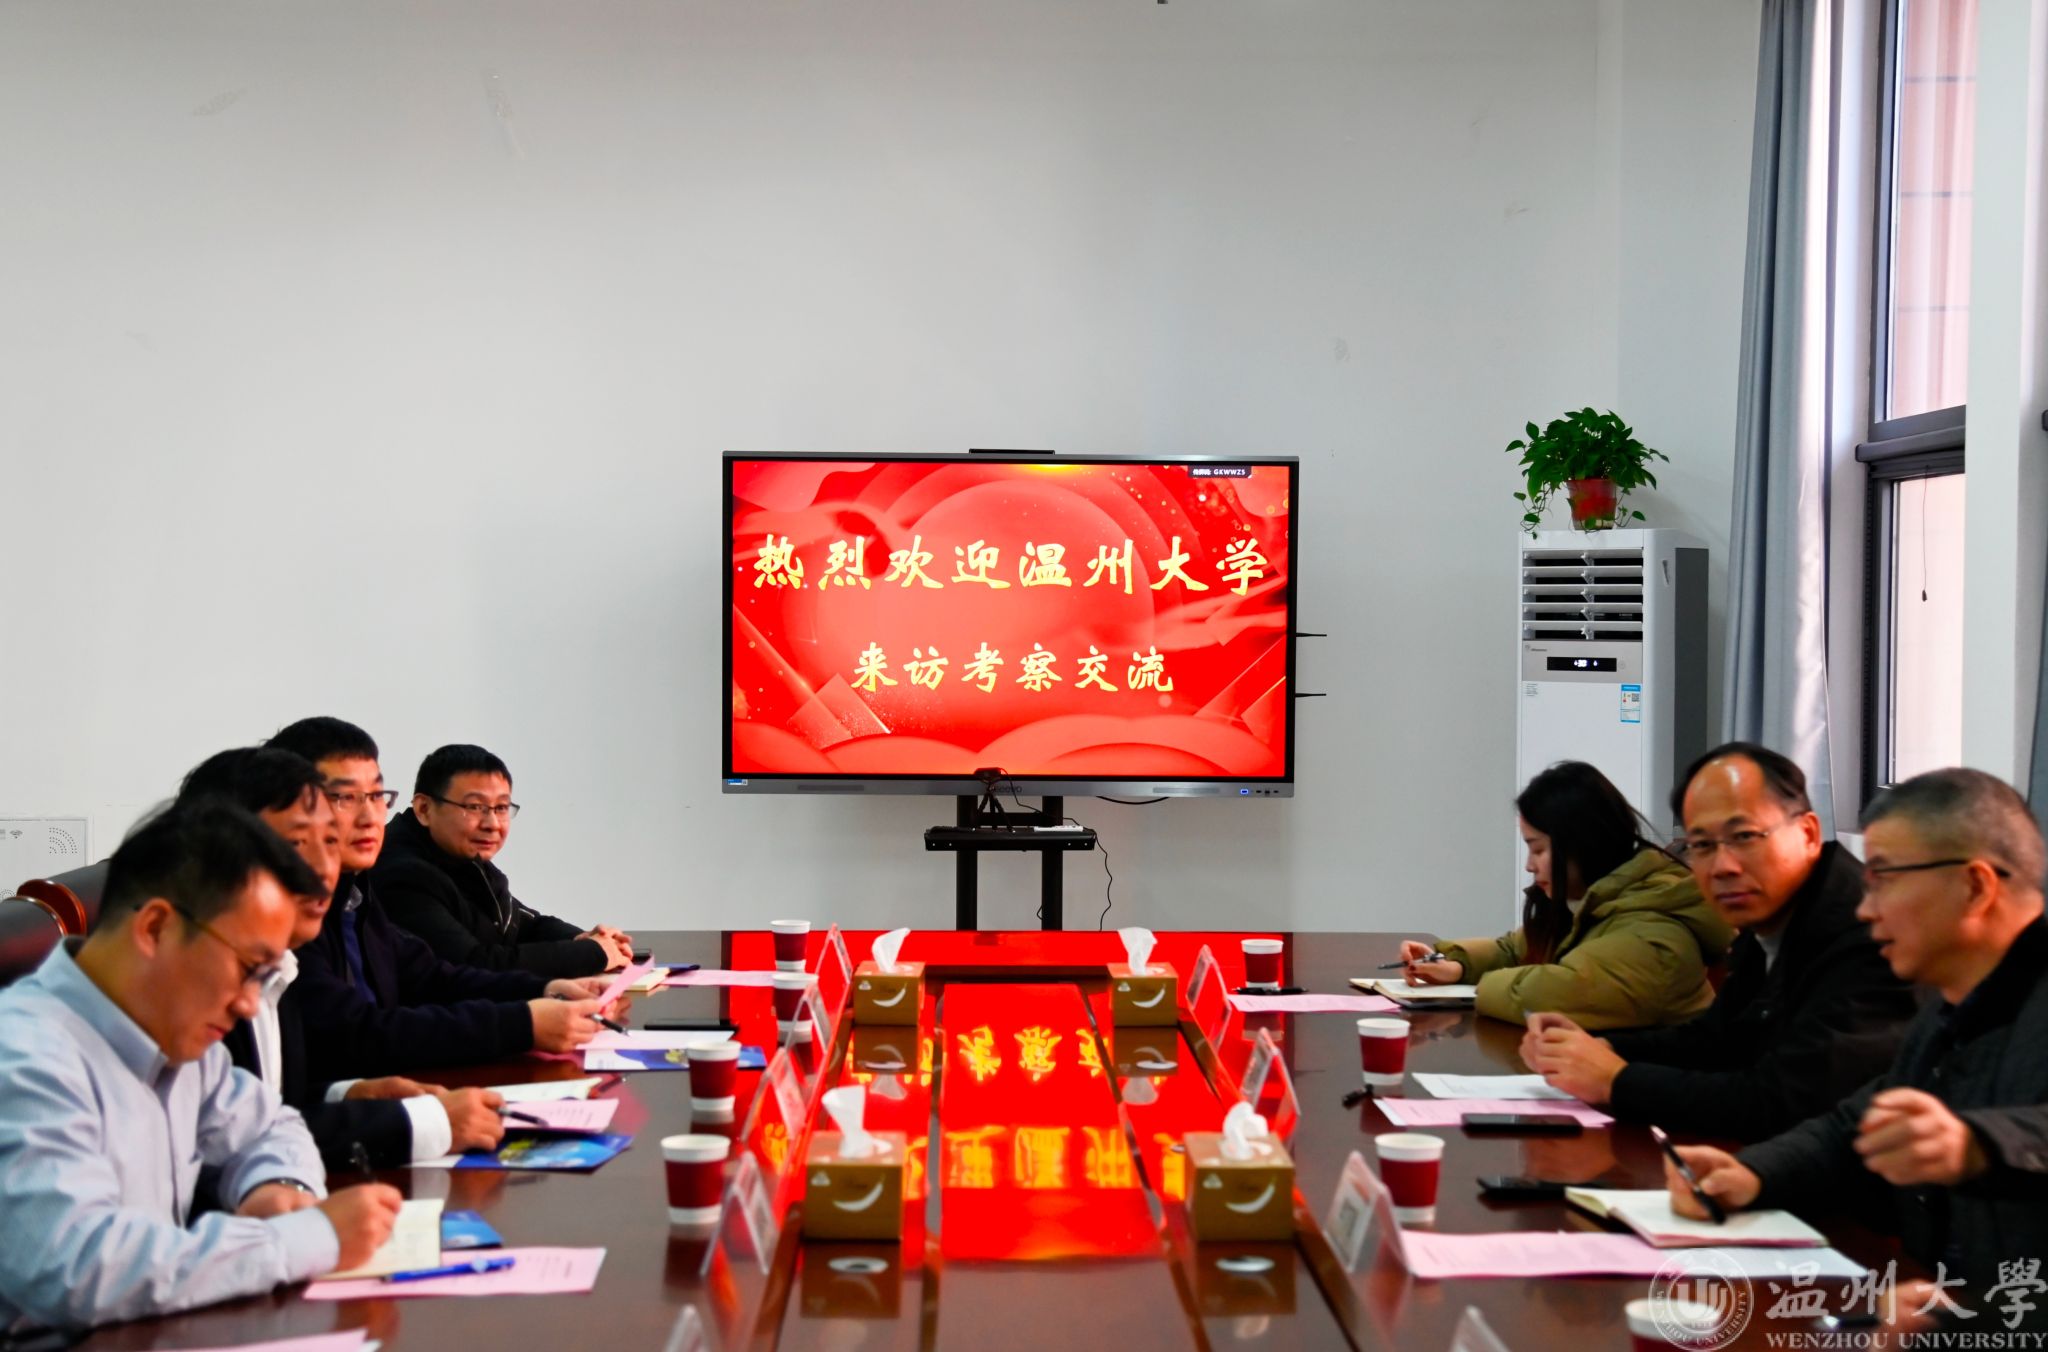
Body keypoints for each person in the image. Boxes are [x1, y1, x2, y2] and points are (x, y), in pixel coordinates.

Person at [1667, 768, 2048, 1333]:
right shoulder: (1950, 1009)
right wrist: (1753, 1173)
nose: (1866, 911)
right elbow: (1855, 1126)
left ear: (1975, 886)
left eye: (1884, 880)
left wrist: (1975, 1144)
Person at [0, 801, 402, 1333]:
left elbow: (268, 1124)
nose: (250, 1005)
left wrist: (278, 1187)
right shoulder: (24, 1058)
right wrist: (305, 1238)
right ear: (156, 928)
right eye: (248, 968)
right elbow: (80, 1269)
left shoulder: (172, 1035)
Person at [1522, 742, 1918, 1142]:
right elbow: (1718, 1040)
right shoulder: (1770, 915)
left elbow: (1783, 1102)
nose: (1723, 866)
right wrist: (1597, 1047)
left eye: (1744, 836)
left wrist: (1616, 1081)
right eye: (1703, 846)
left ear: (1808, 833)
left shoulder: (1867, 933)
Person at [177, 748, 506, 1168]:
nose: (324, 870)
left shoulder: (278, 964)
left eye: (331, 842)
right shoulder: (193, 986)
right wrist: (420, 1124)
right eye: (297, 845)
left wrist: (344, 1094)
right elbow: (223, 1142)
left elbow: (263, 1108)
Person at [264, 719, 607, 1082]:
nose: (369, 817)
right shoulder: (296, 910)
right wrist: (524, 1023)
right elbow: (355, 1033)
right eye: (345, 797)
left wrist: (545, 990)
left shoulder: (355, 892)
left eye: (376, 796)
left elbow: (433, 976)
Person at [1400, 761, 1733, 1029]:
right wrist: (1456, 965)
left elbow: (1551, 995)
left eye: (1538, 849)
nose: (1529, 866)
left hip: (1650, 1090)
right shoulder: (1592, 901)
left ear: (1582, 845)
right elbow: (1515, 948)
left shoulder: (1652, 930)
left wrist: (1481, 986)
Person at [370, 743, 632, 979]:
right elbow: (474, 966)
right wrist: (592, 953)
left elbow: (522, 925)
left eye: (501, 808)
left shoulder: (457, 853)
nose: (492, 824)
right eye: (474, 807)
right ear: (424, 809)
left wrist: (584, 939)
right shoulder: (403, 872)